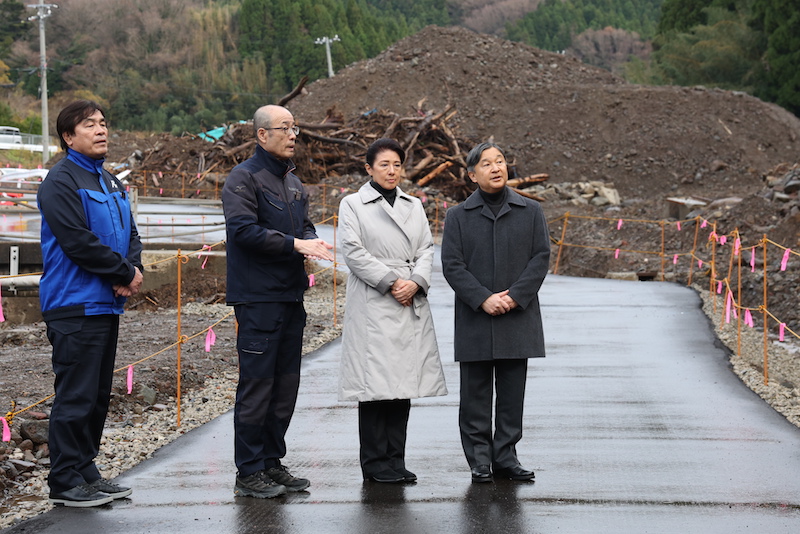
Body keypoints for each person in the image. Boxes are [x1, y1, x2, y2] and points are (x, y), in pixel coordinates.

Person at [222, 104, 333, 498]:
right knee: (257, 385)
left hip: (290, 296)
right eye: (283, 128)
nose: (291, 135)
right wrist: (295, 243)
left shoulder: (293, 183)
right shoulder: (243, 178)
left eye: (294, 128)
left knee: (285, 386)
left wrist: (311, 242)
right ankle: (248, 470)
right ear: (261, 135)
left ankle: (272, 461)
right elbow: (242, 231)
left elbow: (303, 224)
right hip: (257, 299)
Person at [38, 100, 144, 507]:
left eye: (103, 123)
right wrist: (122, 273)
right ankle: (64, 480)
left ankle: (86, 470)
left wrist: (130, 268)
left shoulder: (110, 181)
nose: (101, 130)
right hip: (74, 304)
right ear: (68, 136)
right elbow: (78, 242)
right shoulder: (60, 182)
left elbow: (130, 232)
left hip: (105, 303)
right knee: (76, 394)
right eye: (89, 125)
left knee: (98, 394)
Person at [338, 138, 448, 483]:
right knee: (374, 386)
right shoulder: (352, 204)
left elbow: (427, 248)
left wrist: (415, 281)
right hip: (375, 299)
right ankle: (374, 463)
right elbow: (353, 252)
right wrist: (391, 282)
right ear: (368, 168)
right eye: (384, 164)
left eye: (397, 164)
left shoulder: (413, 204)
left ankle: (396, 459)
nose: (391, 171)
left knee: (402, 385)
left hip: (408, 298)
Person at [441, 142, 550, 483]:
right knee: (475, 395)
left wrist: (516, 296)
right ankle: (479, 460)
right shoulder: (458, 216)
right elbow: (452, 266)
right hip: (476, 317)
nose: (495, 168)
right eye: (486, 164)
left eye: (499, 161)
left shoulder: (530, 211)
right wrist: (483, 298)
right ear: (472, 175)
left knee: (511, 394)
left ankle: (506, 457)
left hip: (518, 317)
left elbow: (540, 258)